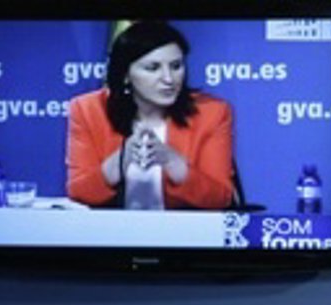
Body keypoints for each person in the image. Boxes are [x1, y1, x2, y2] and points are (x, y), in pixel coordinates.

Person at [66, 21, 234, 209]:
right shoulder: (88, 110)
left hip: (182, 227)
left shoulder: (212, 113)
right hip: (111, 227)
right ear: (125, 74)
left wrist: (172, 161)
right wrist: (121, 160)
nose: (169, 79)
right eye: (153, 68)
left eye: (176, 66)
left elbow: (220, 198)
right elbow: (79, 192)